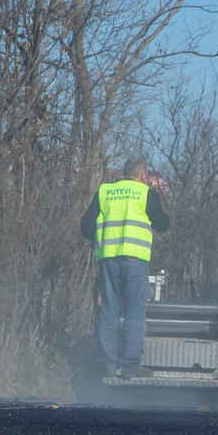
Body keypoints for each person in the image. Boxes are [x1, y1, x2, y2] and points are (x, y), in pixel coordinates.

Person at [84, 162, 170, 379]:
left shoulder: (105, 191)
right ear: (142, 175)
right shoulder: (145, 193)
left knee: (108, 313)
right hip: (134, 261)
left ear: (123, 174)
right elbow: (163, 224)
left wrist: (101, 241)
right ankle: (131, 367)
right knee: (133, 313)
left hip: (108, 262)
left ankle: (108, 366)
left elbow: (86, 226)